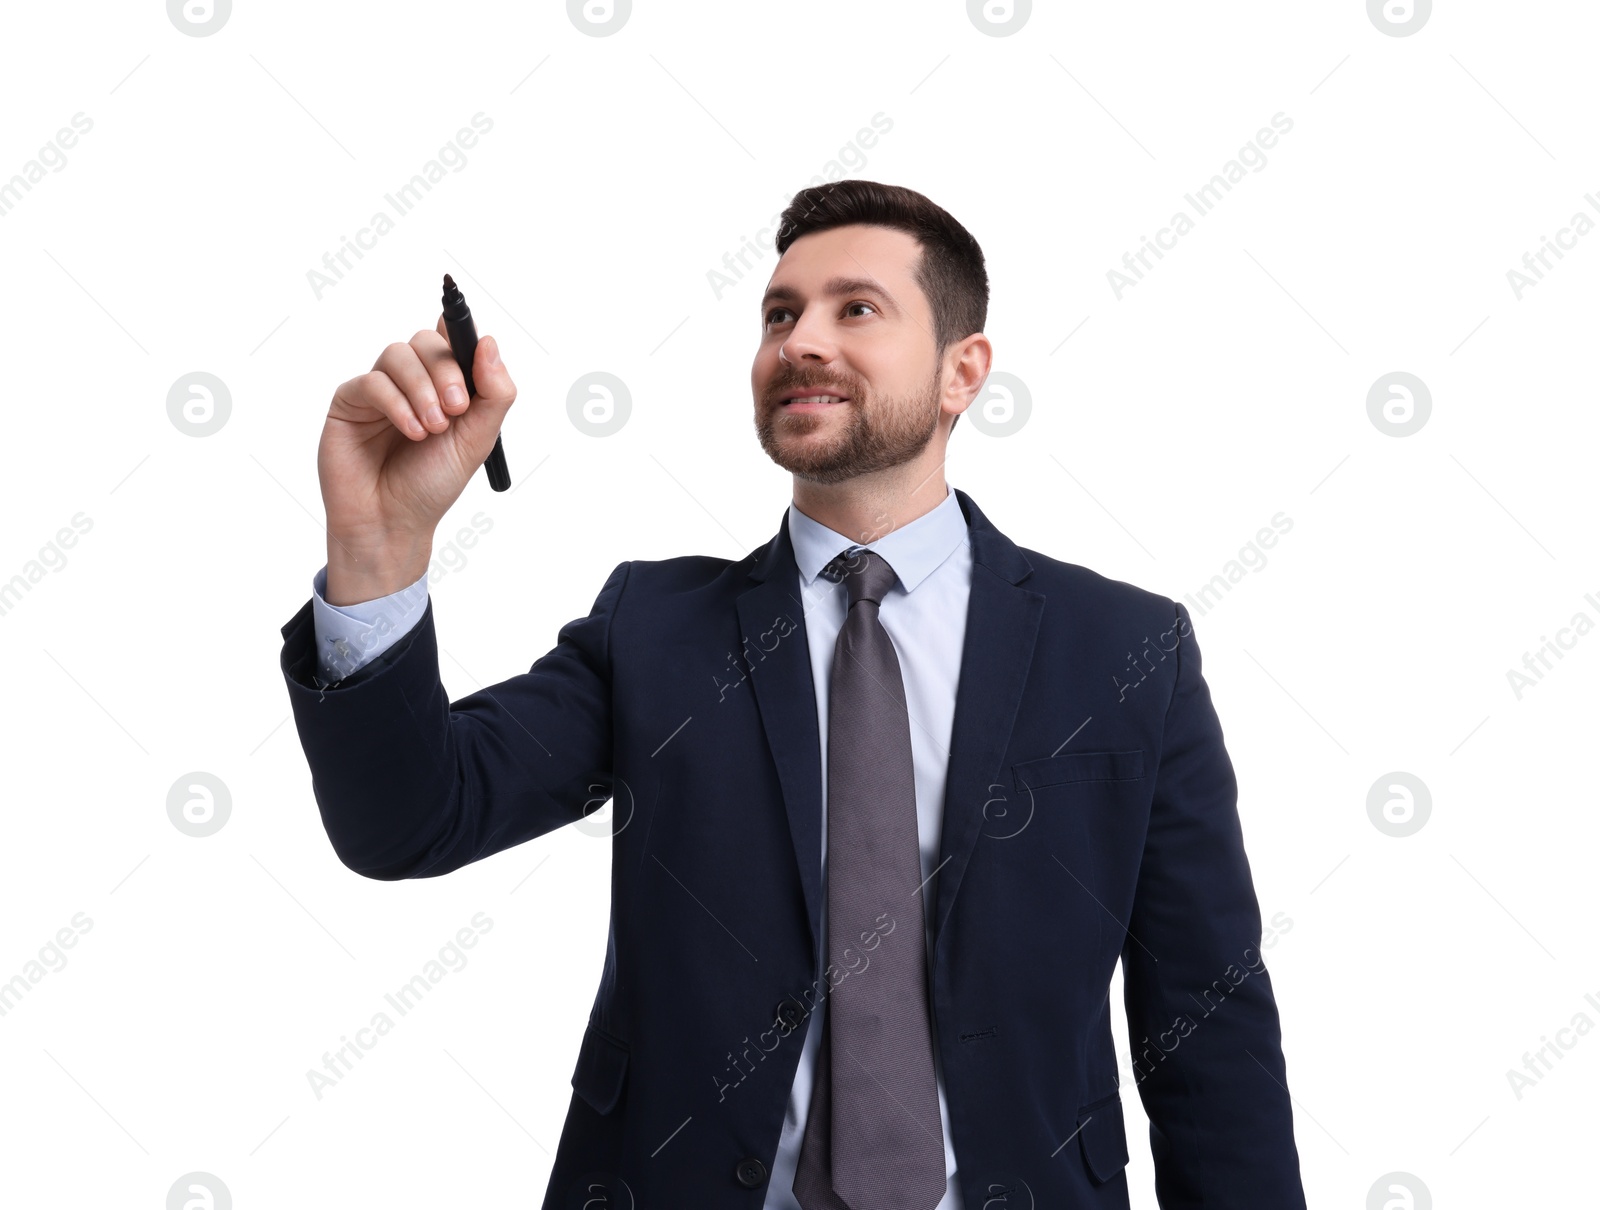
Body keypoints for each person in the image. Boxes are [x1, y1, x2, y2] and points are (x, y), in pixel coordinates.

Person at [278, 179, 1307, 1209]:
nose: (799, 341)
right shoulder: (655, 630)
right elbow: (407, 821)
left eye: (853, 308)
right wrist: (378, 549)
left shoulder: (1123, 647)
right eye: (779, 314)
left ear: (963, 371)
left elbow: (1207, 1024)